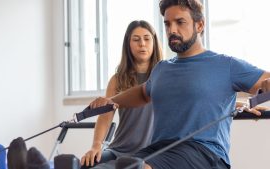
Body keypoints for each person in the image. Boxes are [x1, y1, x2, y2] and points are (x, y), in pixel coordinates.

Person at [88, 0, 270, 169]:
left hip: (205, 152)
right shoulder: (162, 69)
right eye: (167, 24)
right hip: (159, 149)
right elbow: (143, 94)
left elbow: (264, 80)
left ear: (200, 25)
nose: (172, 29)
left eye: (180, 22)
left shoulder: (226, 65)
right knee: (114, 166)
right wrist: (110, 101)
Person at [80, 20, 163, 169]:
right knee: (87, 165)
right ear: (128, 44)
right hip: (119, 150)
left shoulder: (165, 76)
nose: (142, 44)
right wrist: (96, 146)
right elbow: (105, 117)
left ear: (154, 42)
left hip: (150, 154)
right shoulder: (118, 79)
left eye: (147, 38)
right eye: (136, 39)